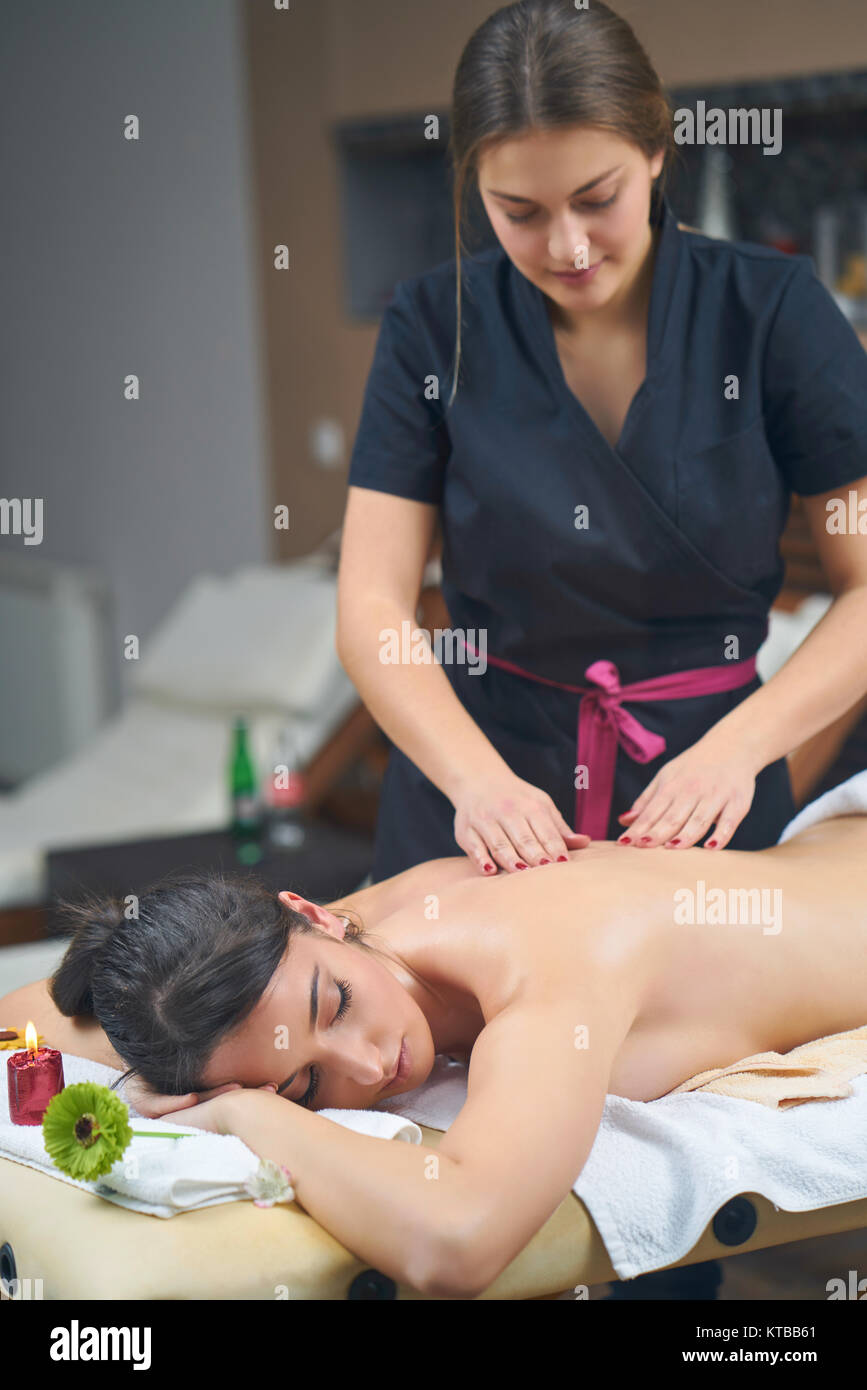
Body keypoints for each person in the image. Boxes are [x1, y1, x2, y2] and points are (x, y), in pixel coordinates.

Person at [337, 0, 867, 884]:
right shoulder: (434, 325)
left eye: (597, 199)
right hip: (478, 795)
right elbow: (372, 608)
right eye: (520, 211)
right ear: (474, 187)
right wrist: (477, 784)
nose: (569, 247)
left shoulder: (772, 313)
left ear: (656, 152)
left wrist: (737, 749)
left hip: (706, 790)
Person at [5, 801, 867, 1299]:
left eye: (333, 1005)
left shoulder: (548, 961)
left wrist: (249, 1110)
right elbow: (25, 1010)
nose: (368, 1066)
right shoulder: (347, 935)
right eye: (307, 1081)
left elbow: (456, 1243)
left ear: (312, 911)